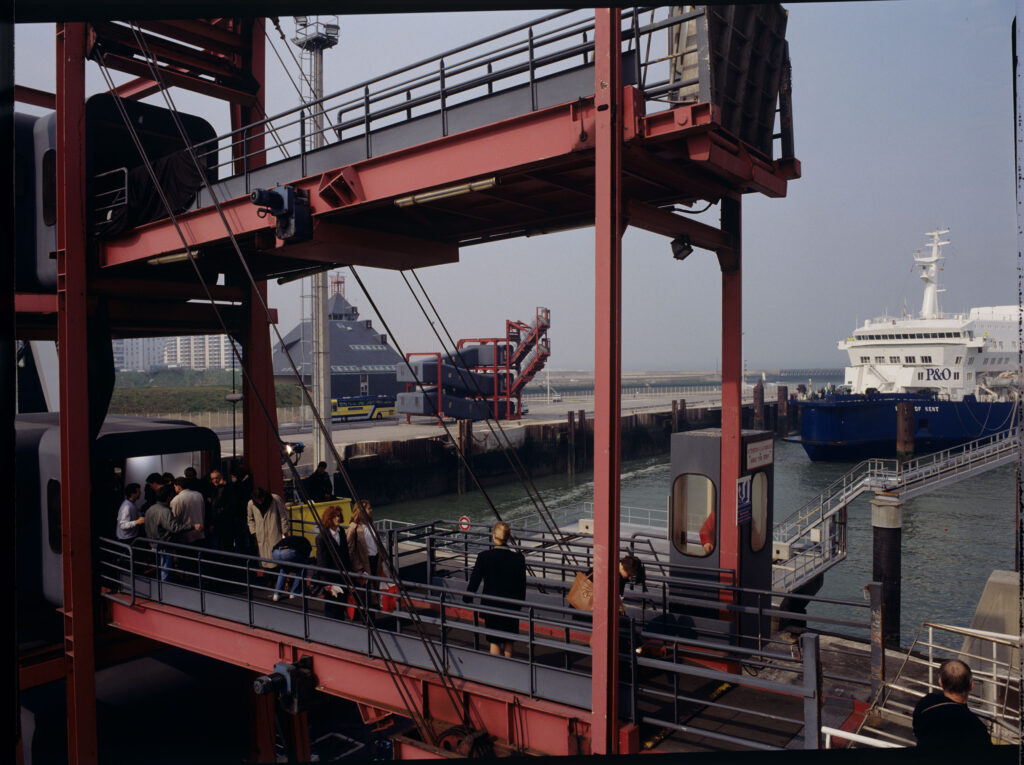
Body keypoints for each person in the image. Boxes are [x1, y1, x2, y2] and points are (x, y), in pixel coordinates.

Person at [464, 521, 527, 657]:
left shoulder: (484, 557)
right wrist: (520, 604)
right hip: (512, 606)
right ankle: (510, 666)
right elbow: (522, 586)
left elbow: (474, 581)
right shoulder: (518, 559)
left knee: (494, 642)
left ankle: (498, 671)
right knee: (509, 641)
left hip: (491, 606)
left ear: (494, 537)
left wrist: (467, 597)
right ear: (508, 537)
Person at [912, 659, 991, 751]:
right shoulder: (976, 727)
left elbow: (917, 731)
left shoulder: (926, 703)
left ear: (940, 683)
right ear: (971, 686)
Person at [143, 484, 202, 581]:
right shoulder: (165, 511)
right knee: (165, 572)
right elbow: (174, 527)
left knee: (160, 570)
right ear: (168, 496)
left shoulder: (151, 509)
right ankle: (164, 592)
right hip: (163, 546)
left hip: (153, 544)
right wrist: (193, 526)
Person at [316, 504, 353, 620]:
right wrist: (325, 582)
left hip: (342, 574)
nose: (338, 518)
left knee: (342, 601)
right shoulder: (322, 537)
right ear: (329, 519)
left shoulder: (341, 532)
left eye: (338, 516)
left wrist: (349, 573)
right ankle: (331, 625)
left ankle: (341, 623)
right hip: (331, 575)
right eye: (334, 517)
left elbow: (346, 554)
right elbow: (321, 560)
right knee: (332, 604)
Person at [247, 487, 289, 569]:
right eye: (257, 500)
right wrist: (254, 532)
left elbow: (283, 516)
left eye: (261, 499)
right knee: (264, 560)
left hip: (275, 532)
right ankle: (269, 579)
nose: (260, 502)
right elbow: (250, 519)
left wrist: (285, 532)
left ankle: (277, 579)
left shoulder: (275, 499)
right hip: (260, 535)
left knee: (277, 558)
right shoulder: (251, 504)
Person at [271, 535, 313, 602]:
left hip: (275, 552)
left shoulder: (294, 539)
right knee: (302, 567)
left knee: (283, 569)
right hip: (288, 552)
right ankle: (294, 592)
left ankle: (276, 594)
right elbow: (304, 555)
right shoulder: (306, 543)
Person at [347, 500, 380, 578]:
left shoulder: (372, 524)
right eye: (369, 508)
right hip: (365, 562)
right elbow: (351, 549)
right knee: (368, 585)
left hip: (376, 559)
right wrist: (358, 567)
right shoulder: (354, 528)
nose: (371, 510)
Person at [170, 476, 206, 546]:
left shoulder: (176, 500)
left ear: (178, 487)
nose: (174, 489)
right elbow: (203, 512)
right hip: (200, 533)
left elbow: (175, 519)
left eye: (174, 487)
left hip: (186, 536)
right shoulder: (199, 495)